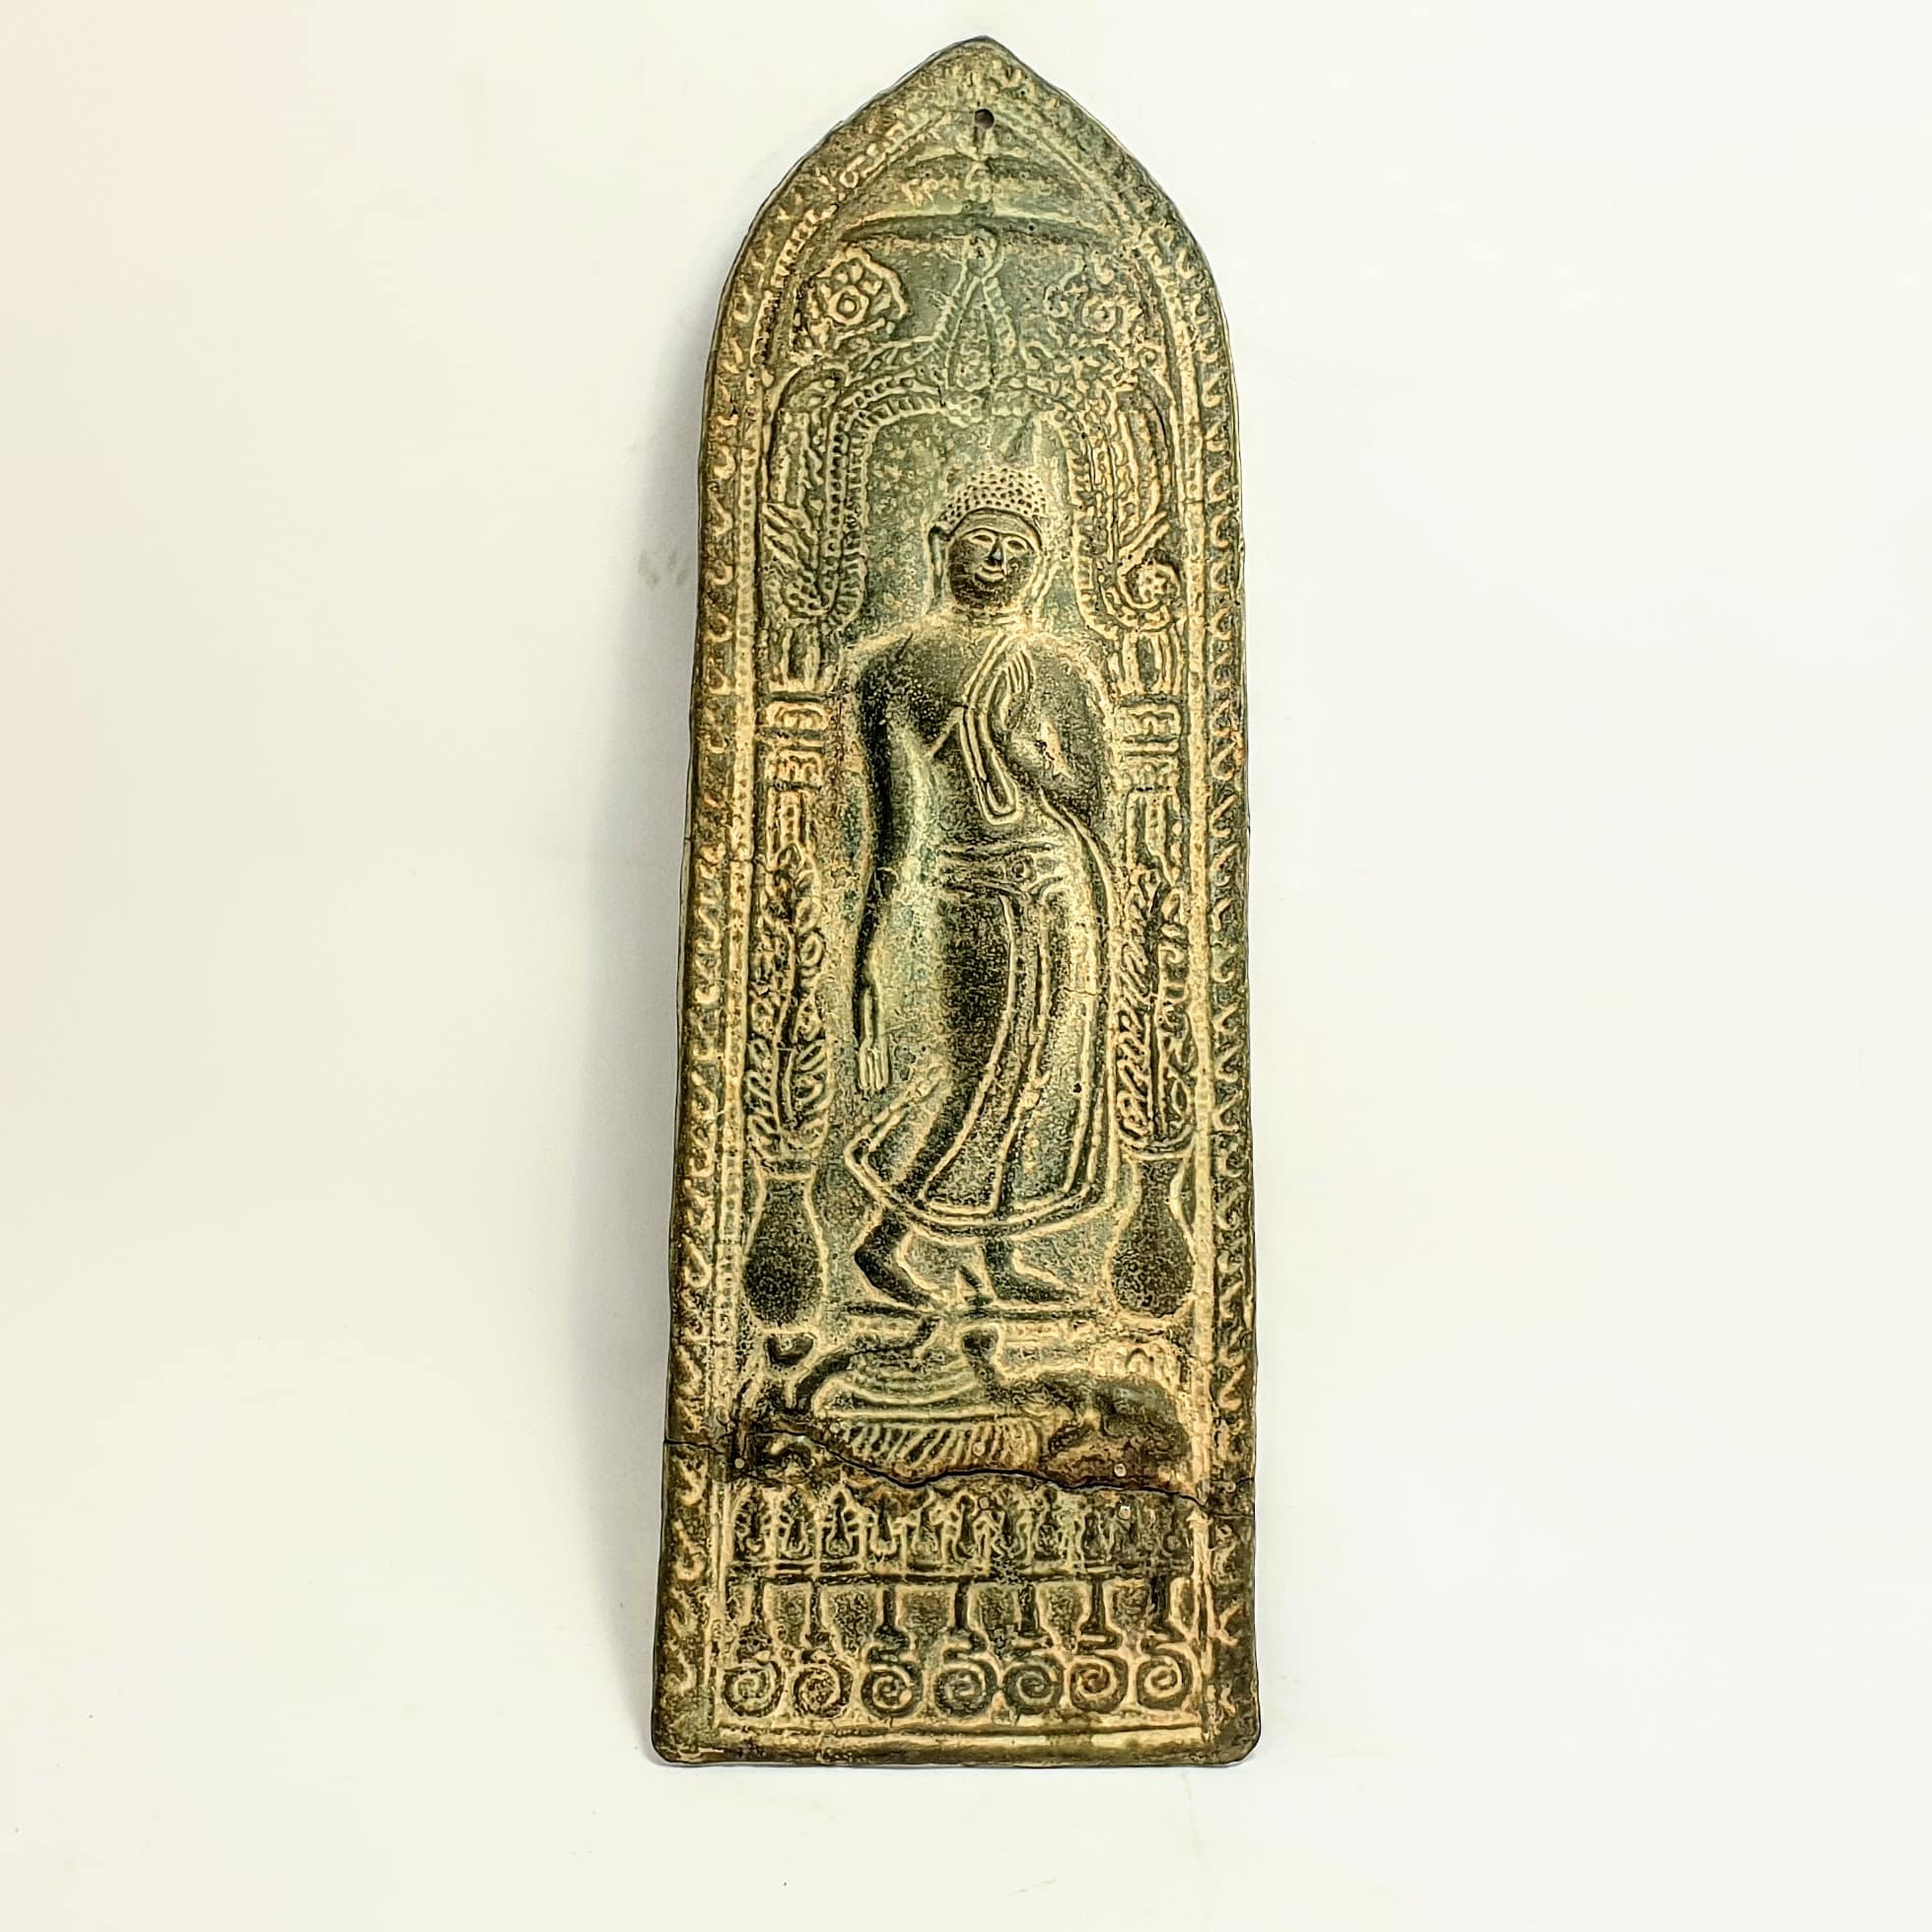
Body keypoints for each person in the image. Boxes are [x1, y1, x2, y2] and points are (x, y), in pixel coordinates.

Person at [845, 464, 1116, 1307]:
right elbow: (892, 827)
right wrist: (867, 952)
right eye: (981, 541)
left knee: (1033, 1073)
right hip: (967, 890)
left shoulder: (1054, 666)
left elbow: (1095, 799)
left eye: (1015, 548)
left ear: (1040, 563)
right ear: (942, 545)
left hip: (1050, 886)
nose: (997, 559)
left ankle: (997, 1255)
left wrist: (1036, 764)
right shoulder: (894, 668)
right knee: (974, 1072)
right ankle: (882, 1238)